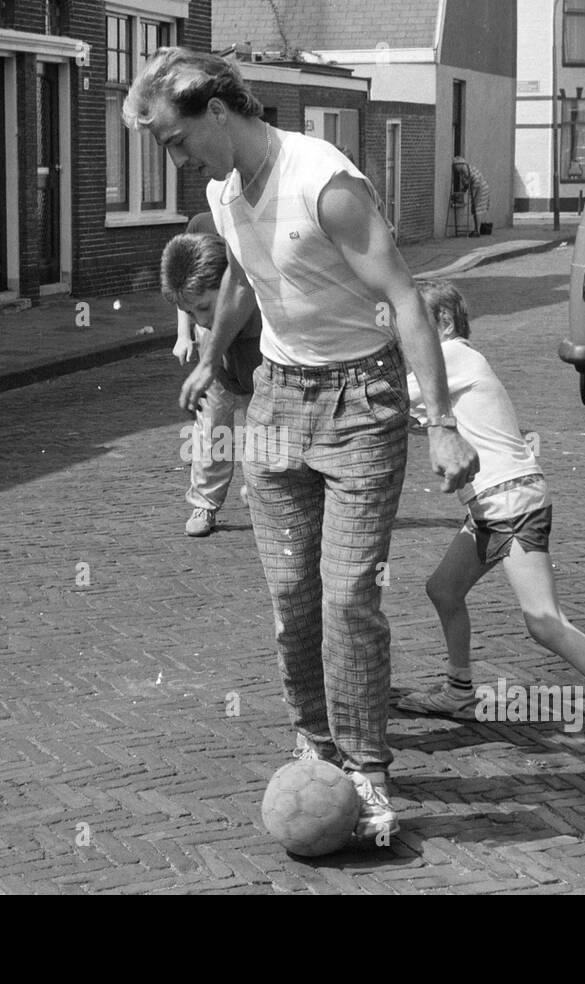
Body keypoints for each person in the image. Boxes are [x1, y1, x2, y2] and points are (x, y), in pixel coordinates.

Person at [124, 47, 480, 841]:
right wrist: (213, 359)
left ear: (216, 111)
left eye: (173, 140)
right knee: (292, 600)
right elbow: (244, 279)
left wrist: (443, 423)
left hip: (361, 400)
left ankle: (366, 769)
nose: (175, 160)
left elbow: (405, 299)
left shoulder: (324, 181)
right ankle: (313, 744)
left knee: (350, 596)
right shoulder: (223, 194)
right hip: (279, 403)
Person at [398, 280, 585, 795]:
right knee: (443, 589)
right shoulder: (449, 370)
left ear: (439, 325)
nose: (405, 336)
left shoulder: (455, 357)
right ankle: (460, 693)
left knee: (545, 623)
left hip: (511, 503)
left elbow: (392, 400)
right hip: (491, 506)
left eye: (410, 323)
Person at [162, 213, 261, 536]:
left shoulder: (257, 216)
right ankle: (205, 502)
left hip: (256, 337)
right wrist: (184, 332)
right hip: (214, 346)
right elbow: (186, 291)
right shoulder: (202, 225)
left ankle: (261, 489)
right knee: (213, 423)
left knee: (262, 422)